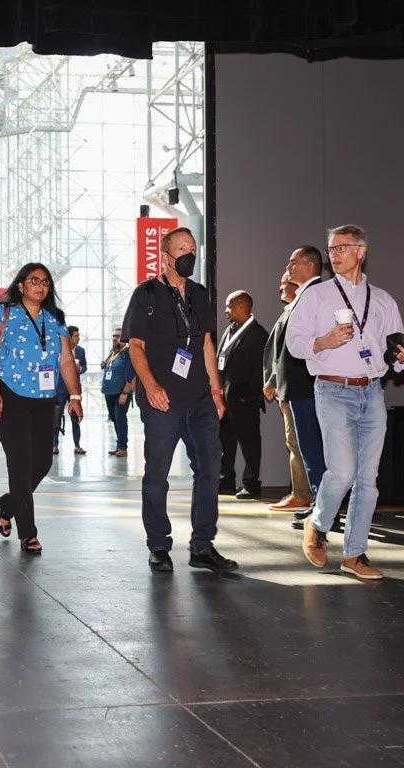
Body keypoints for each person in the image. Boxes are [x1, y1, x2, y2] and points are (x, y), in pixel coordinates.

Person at [288, 225, 404, 580]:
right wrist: (324, 341)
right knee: (342, 471)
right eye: (331, 249)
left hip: (372, 391)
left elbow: (396, 355)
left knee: (367, 480)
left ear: (361, 251)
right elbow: (294, 343)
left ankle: (354, 554)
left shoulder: (383, 300)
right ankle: (319, 522)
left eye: (342, 247)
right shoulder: (316, 296)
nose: (335, 254)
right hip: (332, 390)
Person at [122, 227, 238, 573]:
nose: (190, 253)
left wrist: (216, 392)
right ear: (166, 255)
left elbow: (205, 345)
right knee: (157, 473)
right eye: (182, 248)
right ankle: (158, 544)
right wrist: (152, 386)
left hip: (200, 397)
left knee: (209, 468)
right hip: (162, 400)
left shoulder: (200, 295)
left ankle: (202, 546)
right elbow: (136, 346)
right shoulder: (146, 295)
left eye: (193, 248)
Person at [0, 263, 83, 554]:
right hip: (9, 395)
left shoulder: (55, 320)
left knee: (42, 463)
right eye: (34, 280)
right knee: (21, 462)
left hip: (43, 398)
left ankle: (6, 504)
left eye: (46, 281)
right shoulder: (4, 312)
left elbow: (65, 361)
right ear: (21, 286)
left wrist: (75, 397)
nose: (40, 285)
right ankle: (29, 533)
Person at [283, 246, 329, 524]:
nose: (289, 267)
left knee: (314, 449)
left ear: (310, 266)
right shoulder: (304, 295)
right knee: (309, 448)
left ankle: (324, 509)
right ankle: (321, 503)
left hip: (308, 386)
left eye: (293, 262)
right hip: (300, 387)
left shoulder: (315, 295)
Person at [262, 272, 313, 511]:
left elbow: (290, 353)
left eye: (284, 284)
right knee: (294, 443)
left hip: (299, 390)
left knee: (300, 444)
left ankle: (303, 494)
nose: (280, 288)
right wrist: (273, 380)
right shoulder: (288, 310)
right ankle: (301, 492)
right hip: (286, 389)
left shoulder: (302, 309)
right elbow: (279, 355)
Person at [217, 290, 269, 499]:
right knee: (225, 441)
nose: (225, 311)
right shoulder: (230, 330)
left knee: (249, 442)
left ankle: (251, 483)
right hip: (226, 399)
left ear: (241, 307)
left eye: (229, 306)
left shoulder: (258, 334)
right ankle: (226, 479)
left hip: (244, 400)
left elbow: (261, 370)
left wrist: (249, 395)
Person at [101, 327, 136, 457]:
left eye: (118, 336)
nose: (114, 338)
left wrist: (126, 392)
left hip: (121, 393)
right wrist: (104, 364)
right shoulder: (113, 352)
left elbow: (132, 374)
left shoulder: (128, 353)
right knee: (115, 419)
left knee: (120, 418)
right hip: (109, 391)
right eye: (113, 336)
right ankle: (118, 445)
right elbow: (110, 365)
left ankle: (123, 447)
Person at [52, 326, 88, 455]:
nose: (78, 338)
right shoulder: (58, 350)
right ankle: (54, 445)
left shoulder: (81, 351)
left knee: (75, 417)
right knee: (56, 416)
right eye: (76, 336)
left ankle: (77, 445)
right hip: (60, 388)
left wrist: (80, 369)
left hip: (75, 390)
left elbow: (84, 366)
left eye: (78, 336)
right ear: (69, 337)